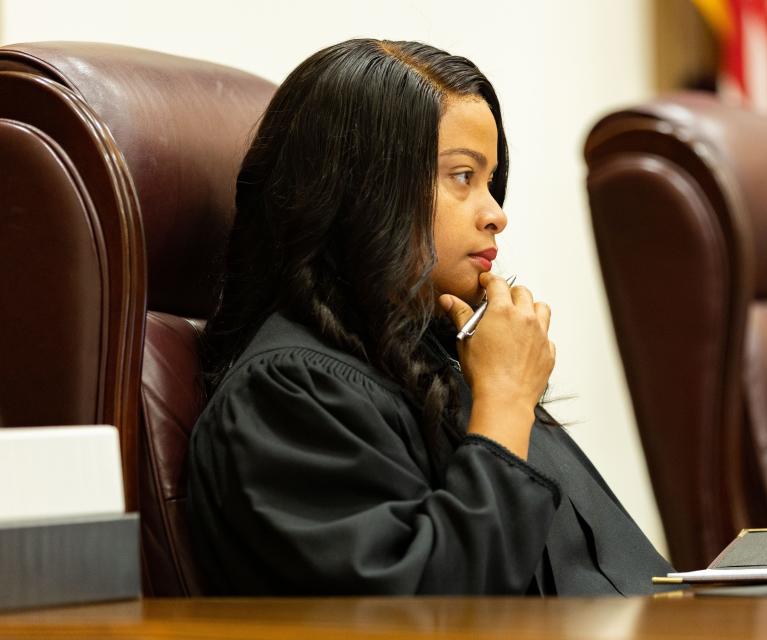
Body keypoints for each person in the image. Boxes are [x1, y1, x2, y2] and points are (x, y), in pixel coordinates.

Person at [187, 38, 674, 596]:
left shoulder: (447, 355)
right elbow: (433, 610)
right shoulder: (289, 395)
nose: (496, 214)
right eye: (463, 176)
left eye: (490, 181)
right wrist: (506, 403)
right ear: (362, 188)